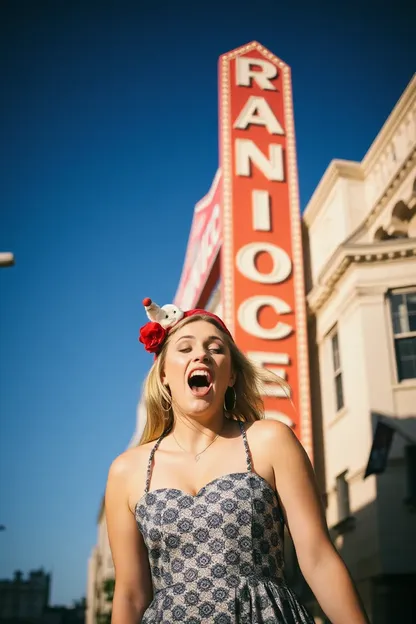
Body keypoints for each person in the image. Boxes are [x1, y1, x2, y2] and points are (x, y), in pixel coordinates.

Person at [105, 299, 369, 624]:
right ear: (163, 376)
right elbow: (131, 593)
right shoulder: (127, 471)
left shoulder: (270, 441)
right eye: (185, 349)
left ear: (230, 376)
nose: (201, 355)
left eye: (215, 349)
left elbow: (318, 558)